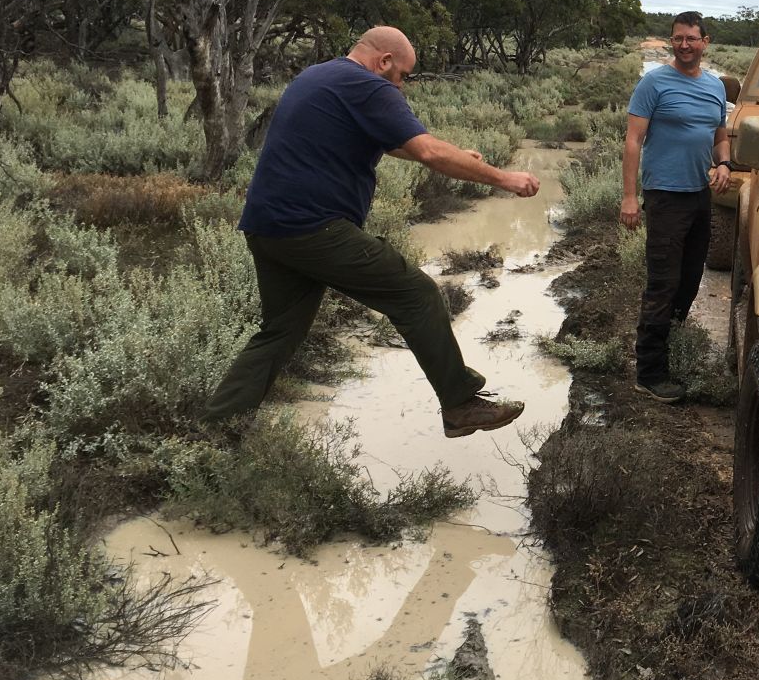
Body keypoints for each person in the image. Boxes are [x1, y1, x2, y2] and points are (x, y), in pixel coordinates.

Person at [206, 26, 541, 437]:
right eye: (402, 76)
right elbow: (428, 151)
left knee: (278, 332)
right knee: (416, 296)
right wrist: (504, 178)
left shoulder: (319, 75)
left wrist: (455, 155)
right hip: (314, 228)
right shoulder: (368, 85)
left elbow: (400, 143)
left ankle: (216, 429)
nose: (402, 86)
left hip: (267, 227)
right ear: (384, 62)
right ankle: (459, 404)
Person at [620, 12, 731, 402]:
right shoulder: (653, 83)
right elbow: (634, 140)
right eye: (678, 38)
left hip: (699, 194)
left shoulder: (716, 88)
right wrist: (630, 197)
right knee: (662, 284)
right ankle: (649, 372)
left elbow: (720, 137)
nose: (684, 45)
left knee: (689, 282)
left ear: (705, 42)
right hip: (664, 196)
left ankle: (674, 350)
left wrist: (724, 163)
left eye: (692, 39)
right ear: (672, 41)